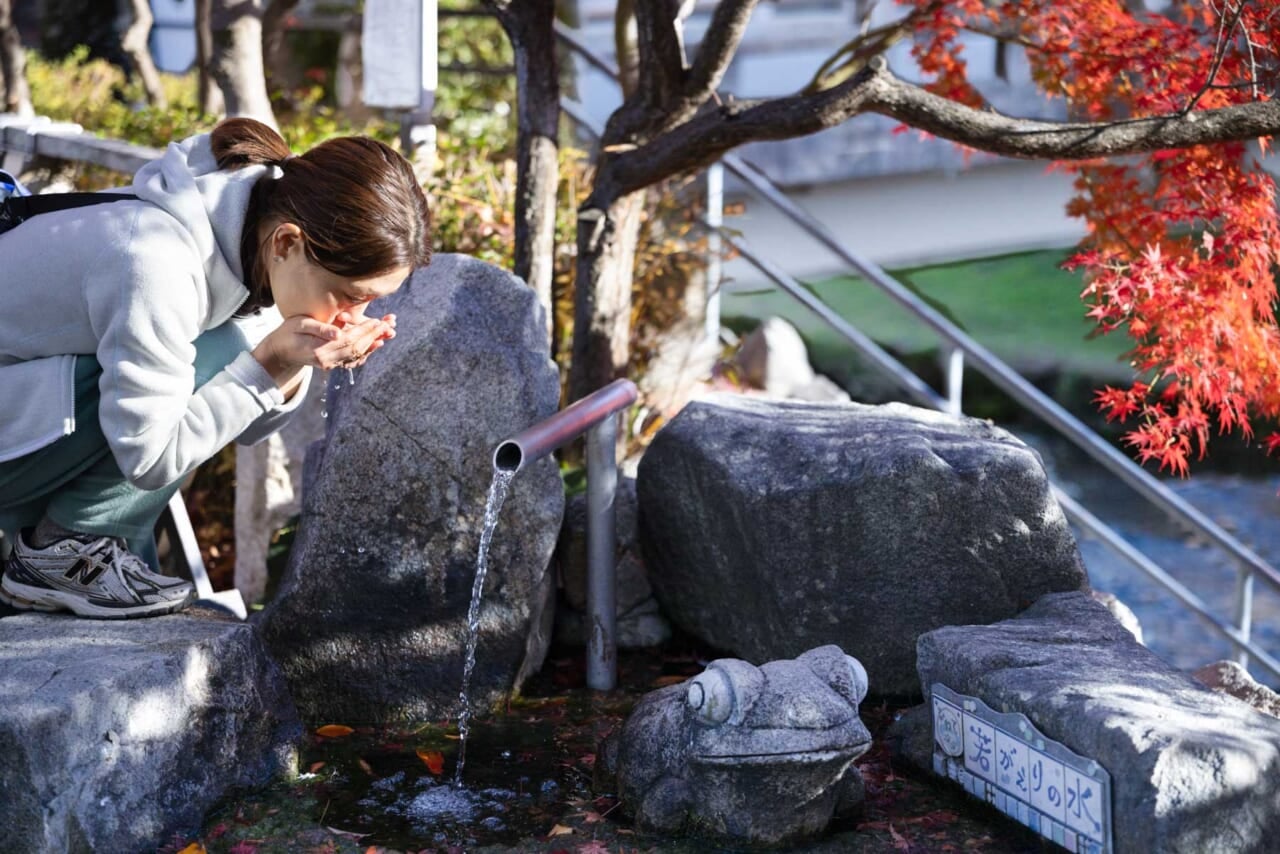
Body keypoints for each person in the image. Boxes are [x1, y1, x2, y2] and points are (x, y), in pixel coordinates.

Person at [0, 117, 432, 618]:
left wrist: (285, 360)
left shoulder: (250, 234)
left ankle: (79, 545)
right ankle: (60, 551)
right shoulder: (156, 261)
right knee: (223, 350)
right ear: (289, 243)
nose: (352, 319)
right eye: (351, 298)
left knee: (223, 352)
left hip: (28, 412)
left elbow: (243, 425)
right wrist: (269, 362)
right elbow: (151, 459)